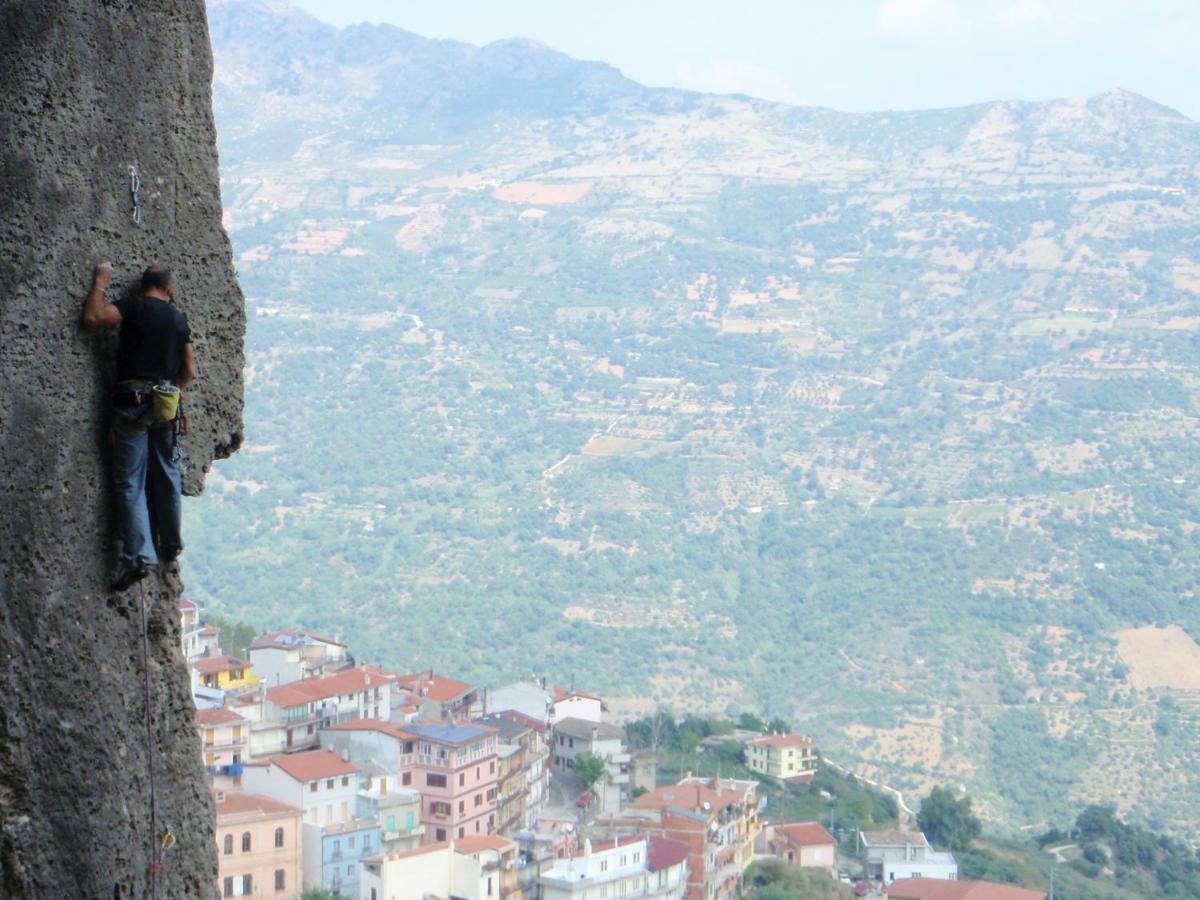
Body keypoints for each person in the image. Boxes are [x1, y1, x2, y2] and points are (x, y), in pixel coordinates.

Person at [83, 262, 195, 591]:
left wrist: (101, 283)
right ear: (169, 289)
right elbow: (188, 370)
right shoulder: (178, 319)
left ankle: (139, 558)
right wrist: (176, 398)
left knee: (131, 481)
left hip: (131, 402)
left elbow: (93, 319)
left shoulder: (134, 305)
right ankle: (171, 543)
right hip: (165, 403)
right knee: (167, 470)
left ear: (141, 286)